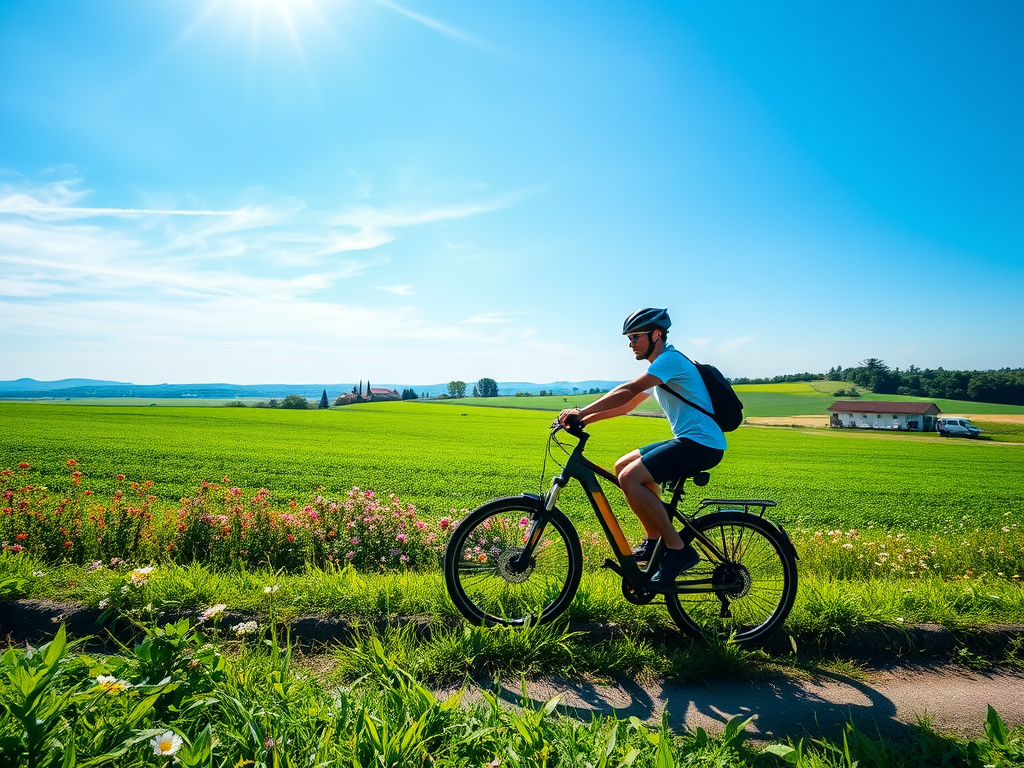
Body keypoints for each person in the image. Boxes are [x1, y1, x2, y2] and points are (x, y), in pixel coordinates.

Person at [557, 308, 727, 586]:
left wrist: (581, 411)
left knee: (630, 478)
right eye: (629, 338)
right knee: (622, 466)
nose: (630, 343)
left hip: (701, 443)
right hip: (691, 440)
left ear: (656, 334)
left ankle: (679, 550)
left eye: (635, 336)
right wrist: (586, 419)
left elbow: (628, 390)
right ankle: (654, 541)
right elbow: (629, 404)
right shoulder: (661, 365)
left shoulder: (670, 360)